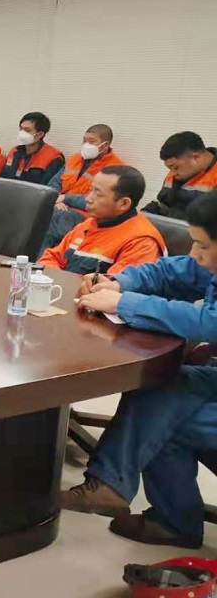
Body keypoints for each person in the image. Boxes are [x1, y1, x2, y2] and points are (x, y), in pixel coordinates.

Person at [60, 190, 217, 549]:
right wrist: (119, 282)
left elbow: (210, 322)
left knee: (166, 417)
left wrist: (124, 303)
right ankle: (113, 487)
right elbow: (172, 271)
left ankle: (170, 520)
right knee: (163, 385)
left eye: (203, 246)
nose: (195, 253)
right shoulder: (209, 260)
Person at [39, 166, 165, 276]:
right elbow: (50, 258)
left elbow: (112, 287)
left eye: (98, 194)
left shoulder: (142, 242)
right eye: (91, 190)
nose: (88, 199)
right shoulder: (90, 223)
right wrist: (58, 280)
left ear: (124, 204)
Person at [42, 124, 125, 253]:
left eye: (91, 141)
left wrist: (66, 198)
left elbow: (101, 201)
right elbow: (54, 183)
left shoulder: (115, 168)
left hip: (87, 215)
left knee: (48, 219)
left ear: (105, 145)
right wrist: (56, 199)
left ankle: (40, 261)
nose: (86, 145)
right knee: (39, 211)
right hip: (60, 207)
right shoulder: (74, 159)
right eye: (84, 140)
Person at [143, 132, 217, 220]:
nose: (172, 174)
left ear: (196, 158)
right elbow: (162, 204)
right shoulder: (178, 172)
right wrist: (142, 215)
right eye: (170, 168)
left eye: (175, 167)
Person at [1, 112, 64, 185]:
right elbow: (3, 178)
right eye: (21, 129)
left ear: (40, 134)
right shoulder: (15, 151)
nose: (22, 133)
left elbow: (47, 187)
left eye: (27, 130)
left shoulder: (53, 157)